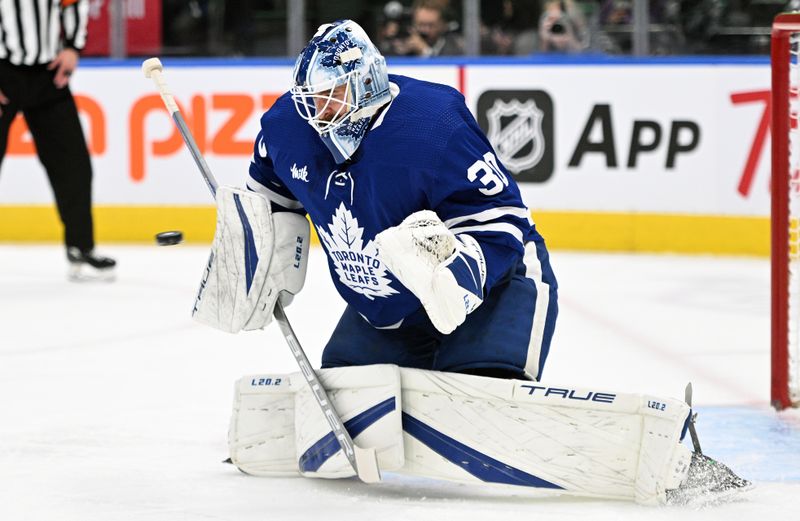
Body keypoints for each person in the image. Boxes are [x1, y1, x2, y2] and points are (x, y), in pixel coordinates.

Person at [244, 19, 558, 381]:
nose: (318, 112)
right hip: (389, 310)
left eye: (331, 95)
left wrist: (457, 279)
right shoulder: (287, 126)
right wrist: (258, 256)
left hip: (494, 291)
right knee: (352, 403)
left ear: (365, 82)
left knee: (483, 404)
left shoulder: (433, 125)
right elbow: (269, 199)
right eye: (310, 98)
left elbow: (500, 220)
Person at [0, 0, 115, 281]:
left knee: (73, 163)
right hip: (2, 72)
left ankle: (80, 247)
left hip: (48, 74)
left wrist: (73, 47)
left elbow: (72, 2)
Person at [382, 0, 464, 57]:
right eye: (421, 24)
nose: (425, 30)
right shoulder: (405, 41)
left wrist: (425, 51)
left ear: (442, 25)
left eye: (431, 25)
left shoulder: (454, 45)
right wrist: (400, 51)